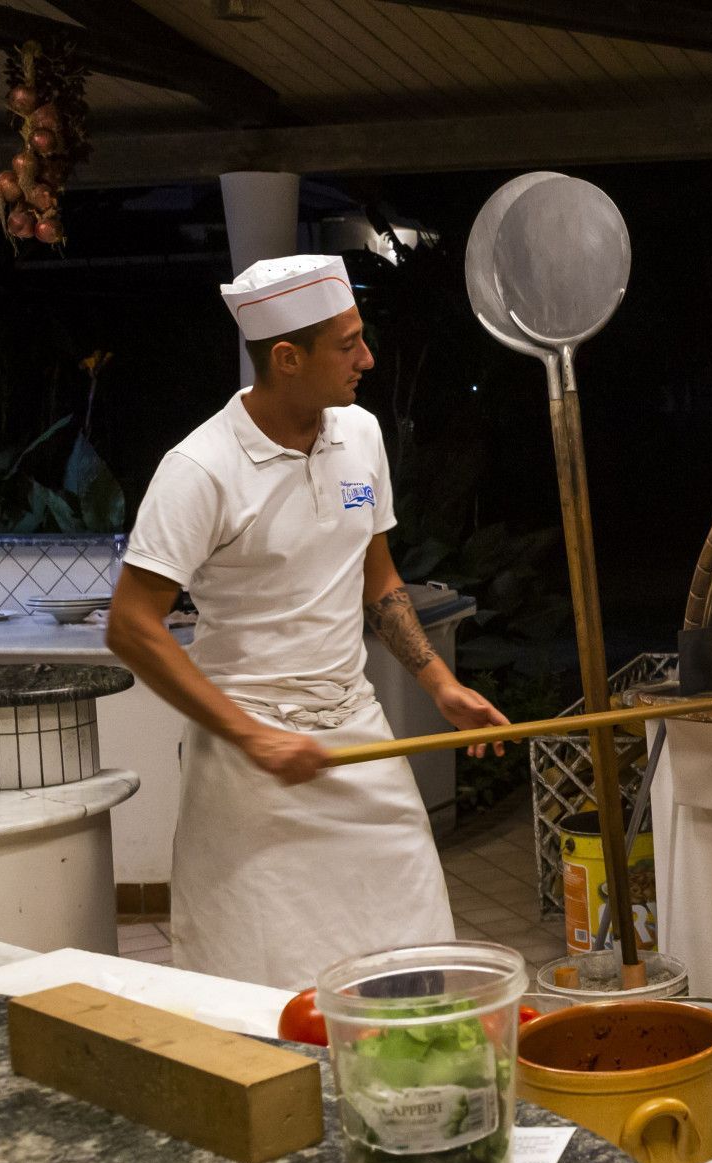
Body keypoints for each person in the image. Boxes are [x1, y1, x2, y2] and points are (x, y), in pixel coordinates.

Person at [107, 254, 510, 989]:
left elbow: (376, 574)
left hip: (355, 734)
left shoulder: (359, 436)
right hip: (250, 759)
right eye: (348, 343)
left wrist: (441, 684)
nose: (368, 357)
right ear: (287, 358)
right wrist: (254, 736)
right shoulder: (200, 468)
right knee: (270, 977)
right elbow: (131, 625)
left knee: (410, 946)